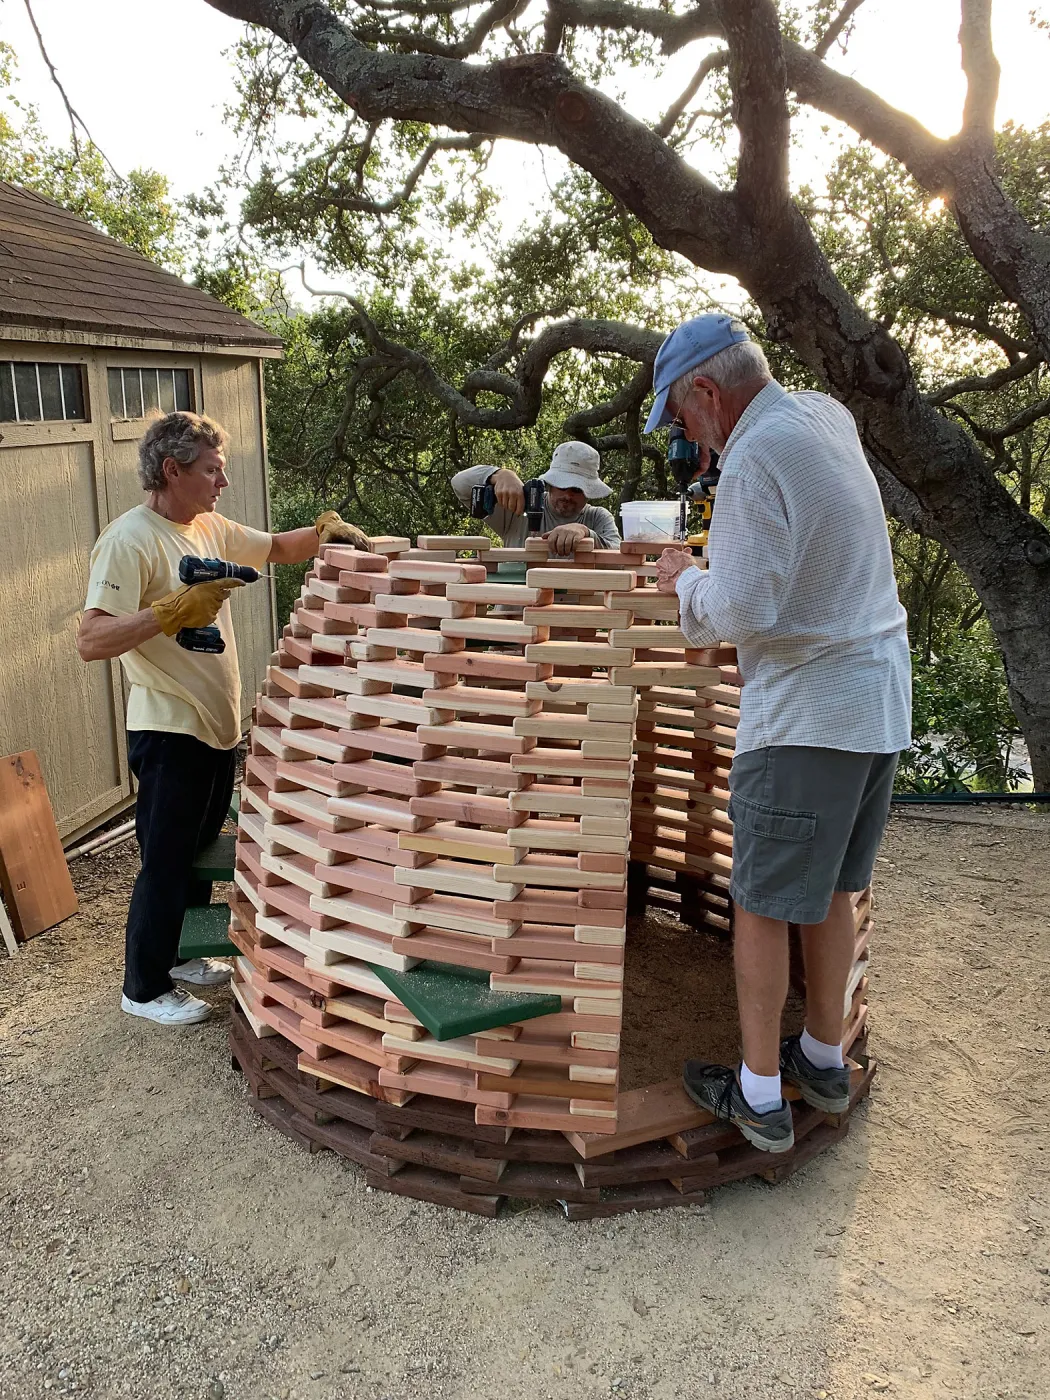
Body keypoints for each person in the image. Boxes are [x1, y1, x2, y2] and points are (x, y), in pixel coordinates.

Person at [648, 314, 911, 1154]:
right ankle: (824, 1060)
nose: (686, 437)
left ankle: (758, 1093)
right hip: (875, 704)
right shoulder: (825, 416)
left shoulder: (755, 455)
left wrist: (686, 580)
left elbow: (746, 608)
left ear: (707, 392)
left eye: (682, 417)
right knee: (833, 888)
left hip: (807, 713)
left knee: (760, 901)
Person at [77, 410, 369, 1027]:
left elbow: (277, 548)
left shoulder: (207, 526)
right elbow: (92, 638)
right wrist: (170, 611)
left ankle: (179, 955)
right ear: (172, 469)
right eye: (212, 470)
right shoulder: (129, 539)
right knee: (165, 857)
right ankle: (144, 986)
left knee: (195, 848)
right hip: (167, 725)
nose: (223, 483)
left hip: (215, 726)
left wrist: (326, 531)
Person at [451, 441, 621, 554]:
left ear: (589, 492)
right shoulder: (519, 506)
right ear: (550, 484)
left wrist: (584, 532)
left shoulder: (598, 517)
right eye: (562, 485)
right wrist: (499, 475)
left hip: (573, 609)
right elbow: (460, 483)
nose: (568, 495)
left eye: (577, 489)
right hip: (514, 607)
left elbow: (619, 559)